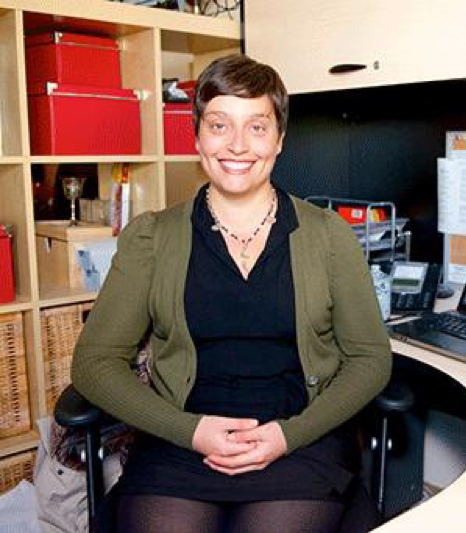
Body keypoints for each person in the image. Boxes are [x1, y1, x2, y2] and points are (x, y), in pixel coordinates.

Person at [71, 54, 392, 533]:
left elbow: (369, 357)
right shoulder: (151, 238)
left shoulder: (329, 236)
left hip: (298, 441)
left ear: (280, 140)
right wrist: (193, 431)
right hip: (180, 442)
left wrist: (288, 435)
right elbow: (93, 364)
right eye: (220, 125)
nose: (238, 145)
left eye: (257, 127)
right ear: (197, 136)